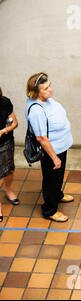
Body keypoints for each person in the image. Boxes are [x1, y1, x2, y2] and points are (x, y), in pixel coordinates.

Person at [25, 72, 74, 222]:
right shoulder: (36, 110)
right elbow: (41, 138)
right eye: (45, 89)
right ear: (36, 92)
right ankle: (50, 209)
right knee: (51, 180)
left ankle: (57, 194)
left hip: (60, 147)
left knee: (58, 177)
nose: (50, 90)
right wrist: (54, 158)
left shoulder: (46, 100)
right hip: (51, 152)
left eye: (49, 85)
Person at [0, 87, 19, 222]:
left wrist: (3, 131)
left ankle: (8, 189)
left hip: (5, 143)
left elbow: (15, 123)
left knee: (8, 171)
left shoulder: (5, 102)